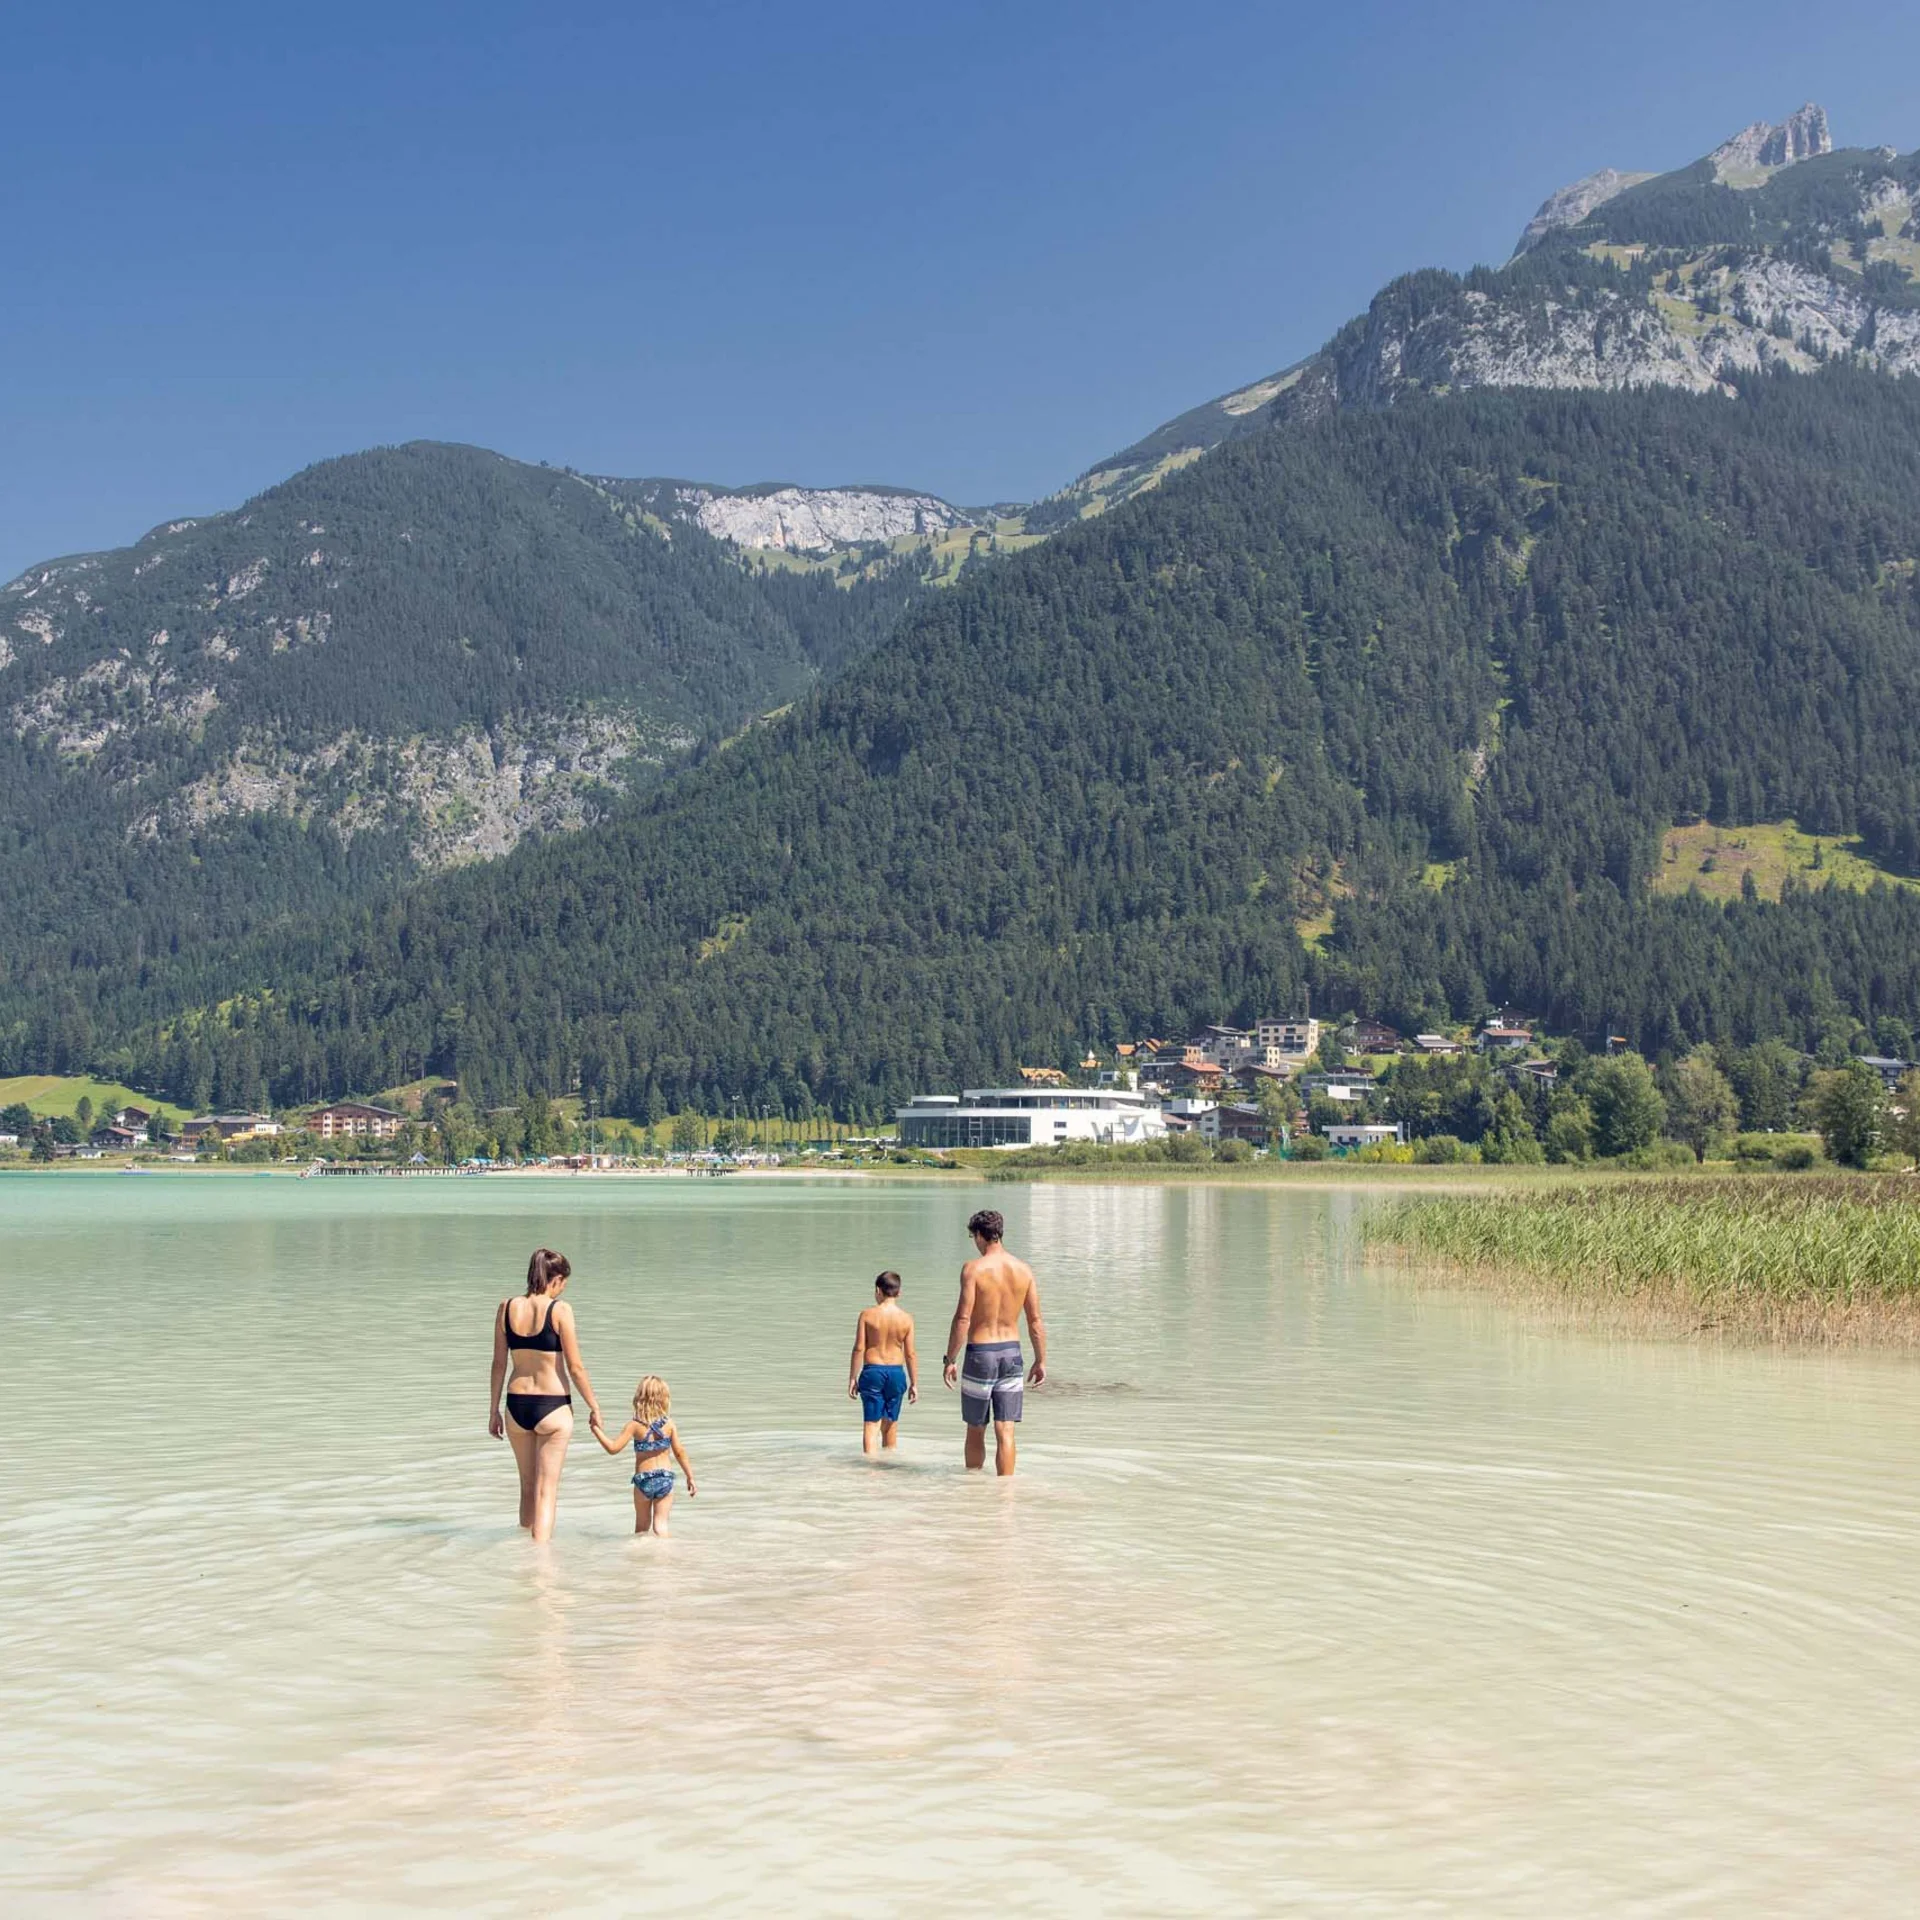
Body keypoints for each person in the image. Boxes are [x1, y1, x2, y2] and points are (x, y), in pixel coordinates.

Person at [488, 1247, 604, 1542]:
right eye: (564, 1282)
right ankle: (541, 1561)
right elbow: (576, 1367)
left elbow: (499, 1364)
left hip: (515, 1406)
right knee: (546, 1490)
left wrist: (493, 1411)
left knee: (527, 1487)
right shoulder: (560, 1310)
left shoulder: (506, 1308)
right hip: (553, 1406)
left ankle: (523, 1552)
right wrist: (594, 1405)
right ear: (555, 1279)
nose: (564, 1288)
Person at [941, 1209, 1047, 1475]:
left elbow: (962, 1318)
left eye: (972, 1237)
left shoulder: (973, 1269)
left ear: (979, 1235)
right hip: (1012, 1353)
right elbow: (1035, 1321)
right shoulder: (1024, 1270)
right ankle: (1005, 1492)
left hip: (981, 1354)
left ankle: (973, 1490)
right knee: (1006, 1429)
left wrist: (950, 1359)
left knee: (976, 1427)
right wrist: (1040, 1359)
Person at [591, 1375, 697, 1536]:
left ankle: (640, 1559)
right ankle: (665, 1556)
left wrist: (596, 1430)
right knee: (661, 1526)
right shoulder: (669, 1424)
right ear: (664, 1399)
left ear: (640, 1398)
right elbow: (680, 1452)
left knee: (641, 1528)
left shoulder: (634, 1425)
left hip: (643, 1481)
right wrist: (690, 1477)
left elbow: (613, 1448)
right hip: (665, 1478)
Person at [848, 1270, 918, 1454]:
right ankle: (889, 1468)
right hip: (896, 1373)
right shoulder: (907, 1319)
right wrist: (914, 1383)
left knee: (871, 1424)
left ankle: (870, 1471)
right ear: (899, 1293)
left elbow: (859, 1348)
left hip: (873, 1372)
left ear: (878, 1290)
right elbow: (910, 1354)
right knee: (891, 1424)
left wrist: (852, 1378)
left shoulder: (867, 1315)